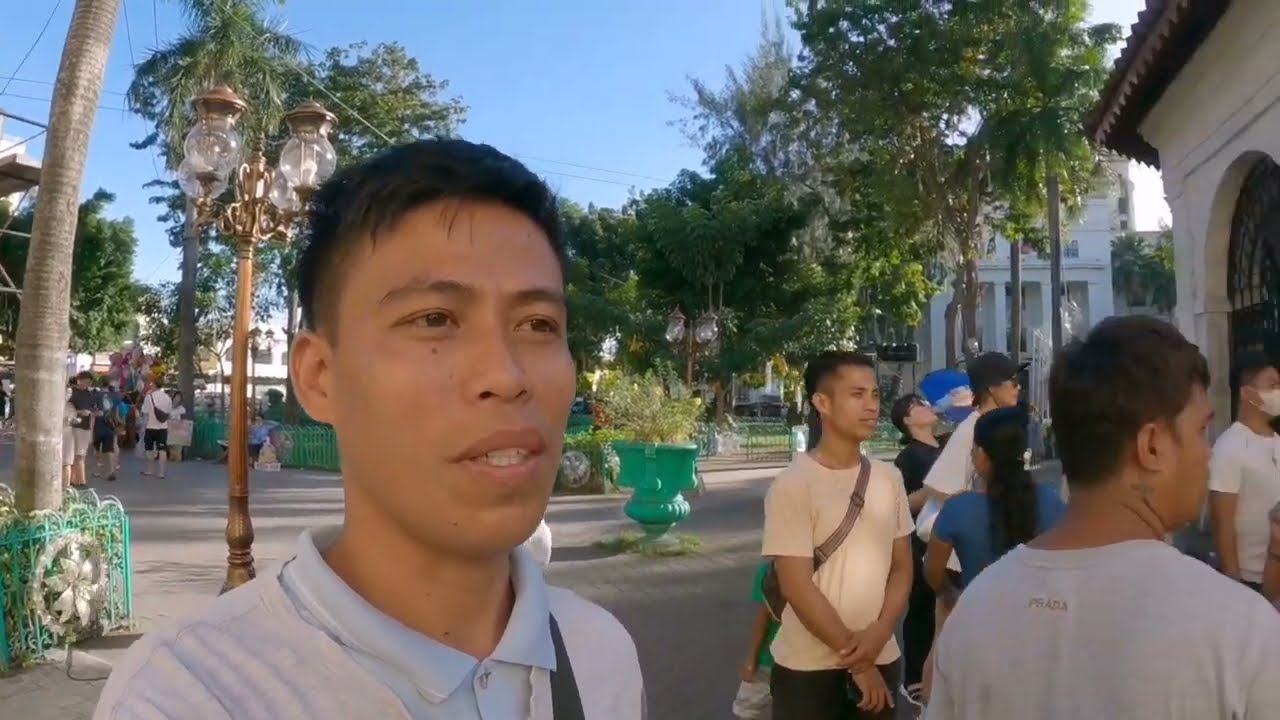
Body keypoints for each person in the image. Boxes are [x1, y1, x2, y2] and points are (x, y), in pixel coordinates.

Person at [95, 139, 644, 720]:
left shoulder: (598, 652)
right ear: (320, 376)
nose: (506, 376)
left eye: (538, 323)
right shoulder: (192, 694)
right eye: (435, 319)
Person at [924, 316, 1280, 719]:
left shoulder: (977, 608)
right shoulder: (1239, 628)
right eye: (1201, 431)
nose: (1209, 453)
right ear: (1151, 446)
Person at [762, 350, 914, 719]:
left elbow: (902, 568)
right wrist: (859, 664)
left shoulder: (888, 478)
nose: (871, 406)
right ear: (822, 403)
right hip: (808, 670)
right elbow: (796, 586)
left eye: (875, 395)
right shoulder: (793, 484)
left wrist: (879, 634)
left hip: (882, 657)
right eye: (857, 394)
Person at [921, 406, 1066, 700]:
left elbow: (933, 574)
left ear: (981, 455)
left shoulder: (958, 510)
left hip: (979, 629)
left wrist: (949, 593)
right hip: (1042, 632)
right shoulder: (1053, 504)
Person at [1208, 351, 1280, 593]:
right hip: (1251, 578)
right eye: (1273, 385)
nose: (1279, 391)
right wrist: (1234, 583)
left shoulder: (1277, 441)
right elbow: (1222, 520)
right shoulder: (1230, 446)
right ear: (1248, 393)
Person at [890, 393, 941, 709]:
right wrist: (936, 489)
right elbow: (901, 504)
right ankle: (914, 680)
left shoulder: (947, 446)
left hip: (950, 538)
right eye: (917, 405)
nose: (927, 406)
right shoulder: (909, 457)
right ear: (908, 421)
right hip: (921, 542)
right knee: (922, 609)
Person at [732, 561, 781, 720]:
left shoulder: (769, 571)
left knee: (746, 710)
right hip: (803, 659)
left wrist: (751, 658)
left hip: (771, 657)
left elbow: (762, 619)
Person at [68, 371, 97, 487]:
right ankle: (80, 480)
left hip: (86, 426)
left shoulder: (90, 394)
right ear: (79, 380)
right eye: (85, 381)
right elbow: (67, 410)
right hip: (75, 426)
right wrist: (80, 412)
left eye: (89, 382)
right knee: (78, 454)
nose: (87, 384)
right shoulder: (72, 394)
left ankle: (75, 479)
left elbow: (93, 410)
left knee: (81, 454)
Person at [139, 380, 173, 479]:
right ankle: (161, 472)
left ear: (154, 385)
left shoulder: (149, 396)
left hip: (150, 426)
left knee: (149, 449)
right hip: (163, 427)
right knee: (162, 449)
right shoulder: (167, 397)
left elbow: (145, 411)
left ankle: (149, 470)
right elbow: (169, 412)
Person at [92, 381, 123, 482]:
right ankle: (111, 470)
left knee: (97, 448)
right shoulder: (116, 397)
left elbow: (93, 411)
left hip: (99, 425)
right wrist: (118, 423)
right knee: (109, 449)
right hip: (110, 425)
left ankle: (98, 470)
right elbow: (117, 413)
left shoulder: (96, 395)